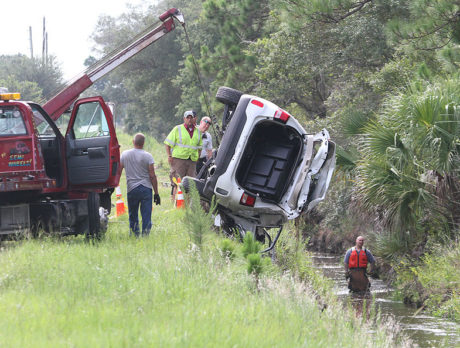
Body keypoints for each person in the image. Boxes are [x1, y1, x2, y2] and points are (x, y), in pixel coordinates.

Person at [120, 133, 160, 237]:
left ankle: (134, 234)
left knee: (133, 214)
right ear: (143, 143)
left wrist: (114, 186)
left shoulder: (125, 155)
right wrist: (156, 193)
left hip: (131, 189)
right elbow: (152, 176)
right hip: (146, 188)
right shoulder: (148, 156)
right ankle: (145, 234)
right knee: (146, 214)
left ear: (133, 142)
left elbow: (118, 171)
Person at [164, 110, 202, 199]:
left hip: (192, 161)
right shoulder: (177, 129)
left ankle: (187, 205)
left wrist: (198, 157)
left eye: (191, 118)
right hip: (178, 160)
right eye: (187, 118)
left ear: (194, 119)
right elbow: (167, 144)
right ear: (184, 119)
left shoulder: (198, 132)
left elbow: (199, 147)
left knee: (190, 185)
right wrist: (169, 156)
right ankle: (175, 203)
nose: (189, 120)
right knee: (177, 182)